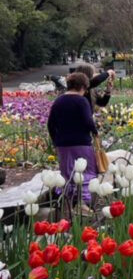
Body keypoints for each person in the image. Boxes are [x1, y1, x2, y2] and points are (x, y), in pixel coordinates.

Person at [47, 73, 97, 214]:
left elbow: (50, 124)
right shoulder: (81, 101)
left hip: (63, 144)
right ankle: (83, 203)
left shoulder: (58, 101)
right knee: (85, 172)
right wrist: (95, 132)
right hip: (81, 143)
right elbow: (88, 121)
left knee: (67, 174)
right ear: (82, 86)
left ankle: (68, 203)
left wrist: (56, 140)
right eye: (85, 89)